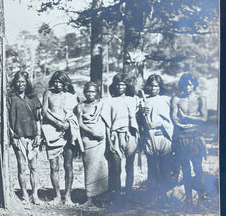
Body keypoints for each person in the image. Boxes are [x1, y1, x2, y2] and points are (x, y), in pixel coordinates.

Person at [41, 71, 82, 205]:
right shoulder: (48, 94)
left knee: (68, 165)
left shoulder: (71, 96)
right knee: (54, 166)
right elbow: (45, 111)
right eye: (55, 82)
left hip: (68, 133)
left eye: (60, 82)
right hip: (51, 131)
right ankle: (57, 196)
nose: (57, 84)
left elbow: (75, 114)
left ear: (65, 83)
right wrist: (58, 123)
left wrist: (67, 125)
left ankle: (68, 196)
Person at [138, 74, 179, 205]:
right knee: (153, 169)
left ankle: (165, 196)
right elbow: (139, 122)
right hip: (150, 138)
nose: (153, 88)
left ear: (160, 86)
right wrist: (141, 114)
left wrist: (160, 123)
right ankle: (153, 197)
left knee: (165, 168)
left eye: (156, 86)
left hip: (164, 137)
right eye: (151, 85)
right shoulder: (143, 101)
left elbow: (173, 119)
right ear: (147, 86)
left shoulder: (167, 100)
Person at [171, 73, 208, 208]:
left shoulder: (200, 98)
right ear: (182, 85)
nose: (188, 87)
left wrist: (187, 117)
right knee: (185, 169)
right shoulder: (176, 99)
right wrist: (179, 124)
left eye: (191, 84)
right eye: (186, 84)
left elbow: (204, 119)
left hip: (195, 136)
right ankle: (187, 200)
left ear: (194, 85)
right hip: (181, 137)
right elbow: (174, 116)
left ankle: (202, 200)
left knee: (198, 168)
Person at [8, 70, 42, 205]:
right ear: (15, 83)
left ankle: (35, 194)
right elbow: (8, 119)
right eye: (18, 81)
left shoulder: (33, 98)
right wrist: (12, 135)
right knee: (21, 166)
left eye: (23, 81)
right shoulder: (11, 98)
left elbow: (39, 119)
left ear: (27, 83)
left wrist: (39, 135)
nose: (21, 84)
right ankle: (24, 194)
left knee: (33, 167)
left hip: (33, 136)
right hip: (18, 136)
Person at [104, 73, 139, 201]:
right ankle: (117, 195)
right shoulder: (108, 101)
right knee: (116, 167)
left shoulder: (133, 100)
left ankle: (129, 193)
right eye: (118, 84)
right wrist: (109, 142)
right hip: (115, 136)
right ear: (114, 86)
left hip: (130, 135)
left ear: (127, 86)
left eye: (123, 84)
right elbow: (107, 123)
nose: (120, 86)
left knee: (130, 166)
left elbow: (138, 116)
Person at [76, 82, 108, 207]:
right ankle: (89, 197)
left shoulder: (102, 104)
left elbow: (106, 120)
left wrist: (100, 134)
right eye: (88, 91)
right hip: (88, 139)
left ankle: (102, 197)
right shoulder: (81, 106)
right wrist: (92, 133)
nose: (90, 94)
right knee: (89, 167)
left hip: (101, 139)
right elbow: (79, 123)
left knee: (102, 166)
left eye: (93, 91)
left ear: (97, 93)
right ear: (85, 92)